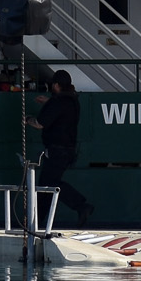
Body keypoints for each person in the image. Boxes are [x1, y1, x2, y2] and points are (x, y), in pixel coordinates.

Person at [34, 70, 93, 226]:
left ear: (56, 85)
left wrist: (27, 120)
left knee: (49, 185)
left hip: (56, 150)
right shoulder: (73, 100)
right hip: (68, 150)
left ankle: (81, 206)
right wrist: (48, 102)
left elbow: (40, 123)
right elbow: (62, 111)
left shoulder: (57, 102)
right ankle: (38, 221)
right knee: (47, 186)